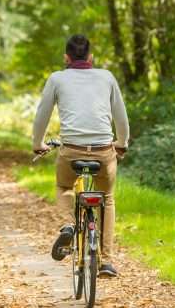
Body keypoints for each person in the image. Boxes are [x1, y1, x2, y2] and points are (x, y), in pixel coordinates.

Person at [31, 34, 129, 277]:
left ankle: (68, 225)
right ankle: (106, 260)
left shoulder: (57, 79)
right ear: (91, 57)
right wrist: (122, 143)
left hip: (71, 150)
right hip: (104, 152)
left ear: (66, 58)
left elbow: (42, 114)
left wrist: (38, 143)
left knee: (64, 186)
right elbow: (121, 117)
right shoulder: (107, 77)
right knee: (106, 197)